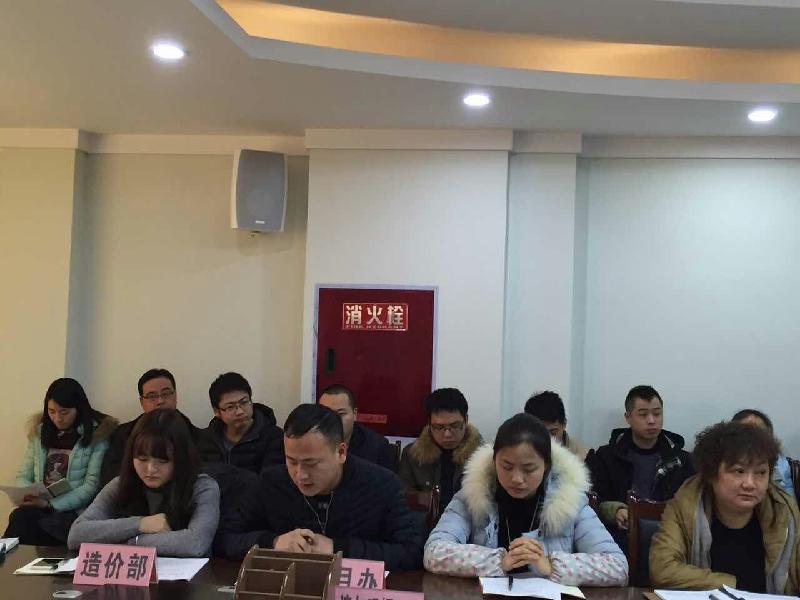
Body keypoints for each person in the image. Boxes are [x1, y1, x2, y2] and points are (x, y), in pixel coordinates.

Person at [424, 413, 627, 584]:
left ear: (546, 466)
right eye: (506, 466)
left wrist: (551, 565)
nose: (517, 479)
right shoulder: (473, 495)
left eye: (529, 469)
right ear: (494, 460)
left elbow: (617, 566)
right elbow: (434, 552)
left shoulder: (570, 500)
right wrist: (498, 561)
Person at [216, 404, 424, 570]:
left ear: (341, 452)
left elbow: (412, 551)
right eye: (292, 461)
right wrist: (274, 542)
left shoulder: (382, 484)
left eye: (311, 463)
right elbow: (225, 538)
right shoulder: (270, 482)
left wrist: (337, 548)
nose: (300, 475)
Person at [650, 421, 800, 593]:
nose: (750, 484)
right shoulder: (685, 504)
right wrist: (734, 586)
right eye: (739, 471)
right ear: (712, 474)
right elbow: (663, 570)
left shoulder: (783, 510)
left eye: (760, 473)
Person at [68, 408, 220, 557]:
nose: (150, 469)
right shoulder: (120, 484)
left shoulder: (202, 487)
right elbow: (76, 535)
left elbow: (195, 544)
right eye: (142, 459)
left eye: (162, 461)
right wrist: (141, 524)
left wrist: (123, 541)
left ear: (180, 458)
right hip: (131, 572)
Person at [4, 378, 117, 545]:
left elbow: (91, 486)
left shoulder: (97, 436)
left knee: (28, 522)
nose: (57, 418)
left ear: (78, 409)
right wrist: (27, 493)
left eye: (64, 412)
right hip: (39, 504)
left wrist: (50, 505)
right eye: (51, 411)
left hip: (73, 510)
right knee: (21, 517)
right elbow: (24, 474)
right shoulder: (40, 432)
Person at [585, 385, 693, 540]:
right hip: (620, 537)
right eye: (643, 414)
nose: (651, 421)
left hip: (671, 537)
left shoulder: (681, 460)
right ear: (628, 417)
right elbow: (592, 500)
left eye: (657, 414)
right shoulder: (605, 458)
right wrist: (615, 511)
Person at [100, 368, 200, 486]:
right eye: (152, 396)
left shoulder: (195, 434)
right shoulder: (123, 434)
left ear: (175, 395)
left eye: (166, 393)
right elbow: (109, 475)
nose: (160, 401)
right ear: (142, 402)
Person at [399, 388, 483, 510]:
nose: (447, 434)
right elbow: (403, 497)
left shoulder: (481, 455)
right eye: (439, 427)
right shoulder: (412, 454)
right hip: (424, 519)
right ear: (429, 424)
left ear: (466, 420)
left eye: (455, 426)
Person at [196, 372, 284, 474]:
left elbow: (270, 479)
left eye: (244, 402)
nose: (240, 411)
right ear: (217, 411)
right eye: (230, 407)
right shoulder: (206, 440)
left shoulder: (274, 438)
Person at [318, 384, 394, 470]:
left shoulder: (377, 446)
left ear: (354, 414)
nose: (334, 420)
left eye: (341, 414)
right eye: (327, 414)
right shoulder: (311, 441)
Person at [732, 409, 795, 498]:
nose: (751, 438)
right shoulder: (721, 464)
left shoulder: (785, 466)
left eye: (758, 432)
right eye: (745, 432)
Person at [524, 391, 587, 460]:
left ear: (564, 424)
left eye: (553, 433)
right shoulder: (519, 453)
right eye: (540, 434)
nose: (547, 440)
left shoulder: (583, 457)